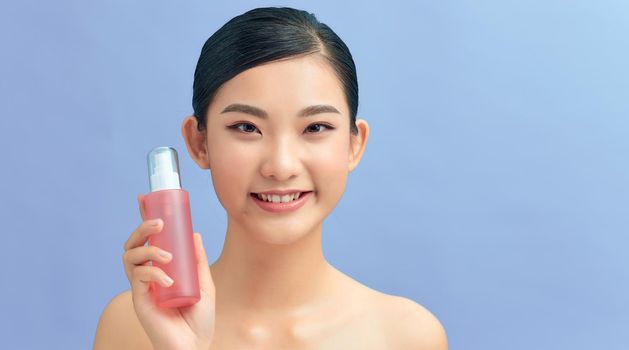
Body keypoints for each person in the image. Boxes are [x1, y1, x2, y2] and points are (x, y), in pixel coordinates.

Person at [94, 6, 448, 350]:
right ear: (199, 143)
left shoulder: (407, 336)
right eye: (246, 127)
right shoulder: (132, 327)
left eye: (316, 127)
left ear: (354, 144)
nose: (280, 166)